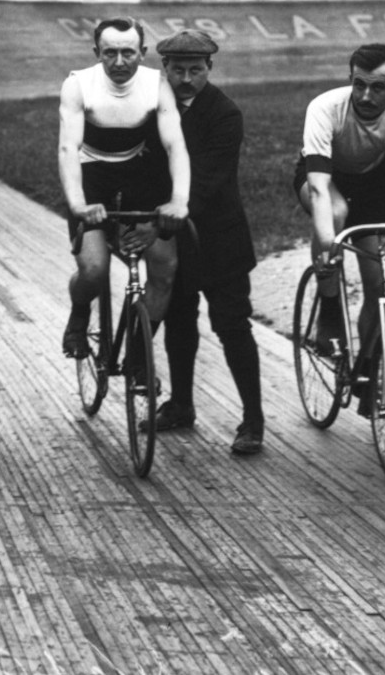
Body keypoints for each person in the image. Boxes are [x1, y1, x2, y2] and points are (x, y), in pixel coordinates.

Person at [296, 43, 385, 378]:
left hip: (369, 186)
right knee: (334, 213)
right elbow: (318, 188)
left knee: (380, 285)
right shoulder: (325, 107)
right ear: (350, 80)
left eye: (377, 87)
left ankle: (363, 367)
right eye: (358, 84)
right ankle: (330, 311)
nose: (365, 96)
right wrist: (328, 244)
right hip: (324, 177)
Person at [148, 30, 264, 456]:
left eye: (195, 71)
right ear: (165, 69)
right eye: (177, 70)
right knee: (179, 321)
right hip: (173, 235)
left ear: (209, 70)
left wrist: (169, 216)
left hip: (219, 237)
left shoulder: (224, 113)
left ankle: (253, 420)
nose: (185, 79)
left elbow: (212, 179)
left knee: (233, 326)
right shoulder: (152, 107)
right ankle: (181, 405)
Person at [58, 17, 190, 386]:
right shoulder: (78, 84)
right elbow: (68, 148)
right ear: (96, 52)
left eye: (128, 53)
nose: (119, 62)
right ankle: (80, 310)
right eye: (110, 53)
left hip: (138, 173)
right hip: (90, 173)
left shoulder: (156, 84)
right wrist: (78, 204)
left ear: (142, 53)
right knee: (95, 270)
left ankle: (137, 354)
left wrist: (179, 199)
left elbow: (174, 144)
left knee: (164, 268)